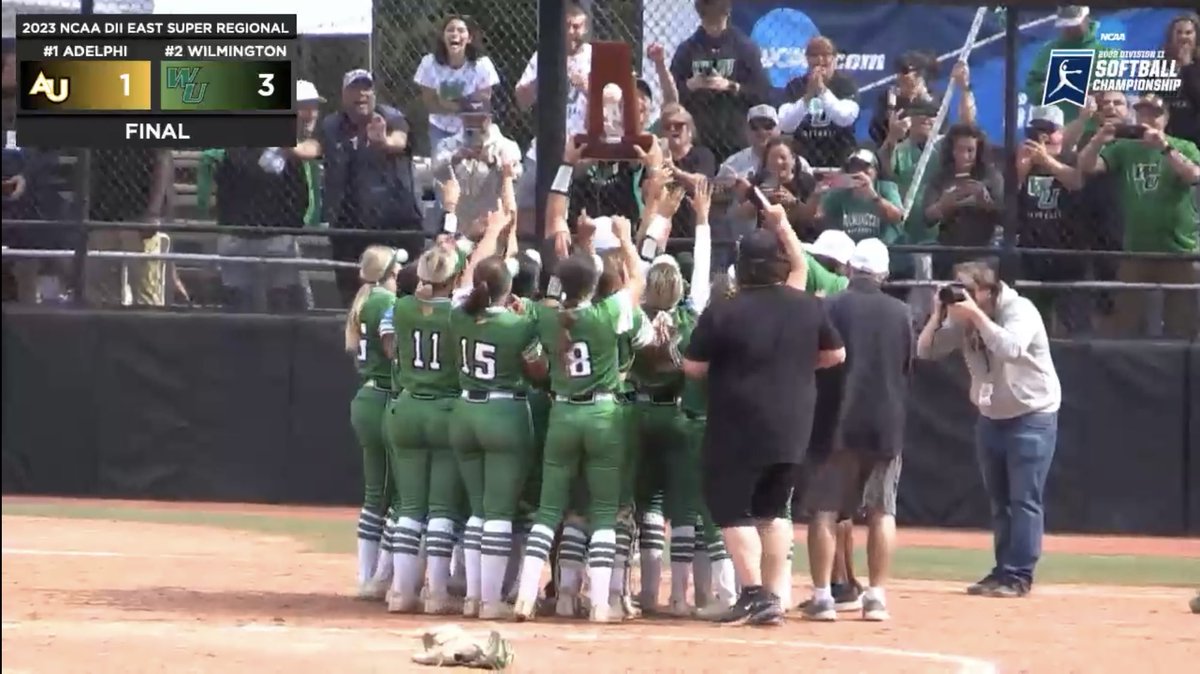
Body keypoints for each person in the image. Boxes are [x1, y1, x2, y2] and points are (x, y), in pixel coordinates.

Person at [682, 204, 846, 626]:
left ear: (740, 268)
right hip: (793, 425)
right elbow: (836, 354)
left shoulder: (724, 310)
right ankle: (772, 595)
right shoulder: (806, 304)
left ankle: (754, 594)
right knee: (772, 512)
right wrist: (783, 224)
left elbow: (693, 368)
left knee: (731, 511)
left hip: (737, 427)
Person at [511, 211, 653, 624]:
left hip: (563, 414)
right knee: (605, 510)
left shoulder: (545, 313)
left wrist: (580, 244)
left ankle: (524, 598)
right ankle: (600, 605)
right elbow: (636, 284)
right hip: (604, 413)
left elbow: (563, 286)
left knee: (549, 509)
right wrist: (626, 239)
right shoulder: (606, 313)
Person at [379, 207, 507, 615]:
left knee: (409, 507)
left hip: (407, 408)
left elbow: (391, 344)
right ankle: (435, 592)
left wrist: (458, 236)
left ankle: (401, 591)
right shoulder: (457, 312)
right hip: (447, 410)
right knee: (440, 509)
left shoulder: (399, 308)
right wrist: (494, 233)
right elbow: (472, 278)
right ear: (453, 279)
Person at [916, 260, 1061, 598]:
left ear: (989, 291)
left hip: (1032, 415)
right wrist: (938, 314)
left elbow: (1011, 348)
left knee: (1024, 499)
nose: (961, 295)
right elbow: (925, 351)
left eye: (968, 288)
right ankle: (1002, 570)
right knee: (1000, 502)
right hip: (992, 417)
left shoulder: (1019, 310)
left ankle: (1019, 574)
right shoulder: (960, 317)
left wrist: (977, 318)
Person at [802, 239, 912, 623]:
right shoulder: (901, 312)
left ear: (849, 270)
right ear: (883, 274)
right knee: (882, 511)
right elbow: (905, 366)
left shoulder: (829, 305)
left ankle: (822, 597)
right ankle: (876, 596)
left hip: (835, 421)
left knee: (825, 510)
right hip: (884, 422)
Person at [449, 252, 545, 620]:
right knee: (500, 513)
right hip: (504, 413)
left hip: (464, 413)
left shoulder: (458, 316)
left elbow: (463, 299)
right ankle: (490, 602)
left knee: (478, 512)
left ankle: (474, 597)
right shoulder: (519, 326)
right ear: (509, 290)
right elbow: (539, 371)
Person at [293, 69, 422, 305]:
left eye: (367, 88)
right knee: (352, 293)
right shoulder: (332, 125)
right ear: (344, 95)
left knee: (401, 290)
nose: (362, 94)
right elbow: (314, 147)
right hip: (348, 223)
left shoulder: (390, 117)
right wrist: (292, 148)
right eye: (355, 88)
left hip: (394, 222)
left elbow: (399, 142)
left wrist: (382, 141)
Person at [1077, 93, 1200, 338]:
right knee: (1126, 321)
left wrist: (1164, 148)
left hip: (1180, 251)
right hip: (1136, 249)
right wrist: (1098, 140)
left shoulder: (1183, 146)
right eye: (1142, 113)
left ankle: (1180, 373)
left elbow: (1194, 175)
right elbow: (1087, 167)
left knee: (1183, 324)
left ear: (1165, 118)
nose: (1147, 119)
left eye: (1154, 114)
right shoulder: (1125, 148)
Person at [200, 79, 324, 313]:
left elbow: (307, 164)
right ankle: (242, 346)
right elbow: (226, 184)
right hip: (243, 233)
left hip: (276, 233)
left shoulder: (300, 145)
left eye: (313, 107)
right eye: (304, 107)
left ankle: (280, 346)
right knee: (241, 301)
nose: (311, 114)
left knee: (283, 300)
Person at [344, 245, 403, 600]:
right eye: (396, 273)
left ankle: (369, 577)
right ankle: (377, 577)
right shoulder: (382, 301)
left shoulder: (366, 299)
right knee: (395, 493)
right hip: (384, 396)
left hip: (367, 395)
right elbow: (395, 350)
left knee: (375, 494)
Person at [515, 1, 592, 235]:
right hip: (545, 145)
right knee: (525, 201)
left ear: (586, 28)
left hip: (581, 146)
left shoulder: (595, 56)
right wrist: (543, 77)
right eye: (566, 26)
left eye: (576, 26)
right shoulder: (544, 55)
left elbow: (613, 102)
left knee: (575, 208)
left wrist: (587, 86)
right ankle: (528, 250)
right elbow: (521, 100)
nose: (571, 32)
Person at [1015, 106, 1089, 335]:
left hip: (1068, 256)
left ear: (1061, 134)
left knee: (1070, 326)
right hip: (1031, 255)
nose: (1043, 138)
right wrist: (1020, 172)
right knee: (1033, 324)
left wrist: (1046, 161)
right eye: (1037, 132)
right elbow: (1006, 203)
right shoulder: (1020, 162)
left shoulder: (1072, 158)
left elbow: (1076, 182)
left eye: (1049, 132)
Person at [669, 0, 769, 162]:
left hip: (735, 136)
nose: (713, 26)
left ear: (727, 13)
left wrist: (730, 86)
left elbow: (762, 93)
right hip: (698, 138)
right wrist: (691, 85)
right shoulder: (688, 49)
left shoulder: (744, 47)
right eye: (709, 18)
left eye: (718, 18)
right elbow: (670, 95)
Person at [921, 123, 1004, 279]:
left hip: (983, 251)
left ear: (979, 152)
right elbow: (927, 218)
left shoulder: (991, 176)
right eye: (959, 149)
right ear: (951, 150)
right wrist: (944, 204)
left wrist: (985, 203)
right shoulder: (941, 178)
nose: (964, 156)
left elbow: (1004, 216)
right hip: (948, 251)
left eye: (970, 150)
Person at [413, 15, 501, 154]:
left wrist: (447, 103)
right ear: (443, 37)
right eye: (450, 30)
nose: (455, 34)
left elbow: (481, 106)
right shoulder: (429, 63)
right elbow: (430, 104)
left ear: (470, 38)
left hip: (472, 130)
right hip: (440, 129)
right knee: (443, 169)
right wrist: (464, 104)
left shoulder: (482, 65)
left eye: (461, 30)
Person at [778, 36, 860, 169]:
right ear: (807, 59)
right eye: (814, 55)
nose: (820, 60)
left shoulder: (846, 85)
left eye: (825, 54)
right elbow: (785, 124)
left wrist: (822, 90)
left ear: (834, 58)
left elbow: (845, 118)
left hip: (840, 159)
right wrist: (808, 96)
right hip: (803, 162)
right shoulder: (795, 85)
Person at [1024, 6, 1101, 124]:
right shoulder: (1048, 50)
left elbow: (1116, 90)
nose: (1069, 29)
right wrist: (1043, 89)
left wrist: (1095, 92)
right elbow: (1031, 87)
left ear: (1086, 19)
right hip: (1055, 129)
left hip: (1091, 128)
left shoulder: (1104, 48)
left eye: (1074, 25)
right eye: (1065, 25)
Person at [817, 147, 905, 244]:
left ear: (875, 171)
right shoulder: (839, 193)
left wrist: (873, 196)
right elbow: (819, 219)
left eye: (865, 167)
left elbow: (898, 218)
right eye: (855, 166)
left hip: (885, 249)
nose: (860, 172)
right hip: (850, 251)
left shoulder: (886, 188)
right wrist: (820, 193)